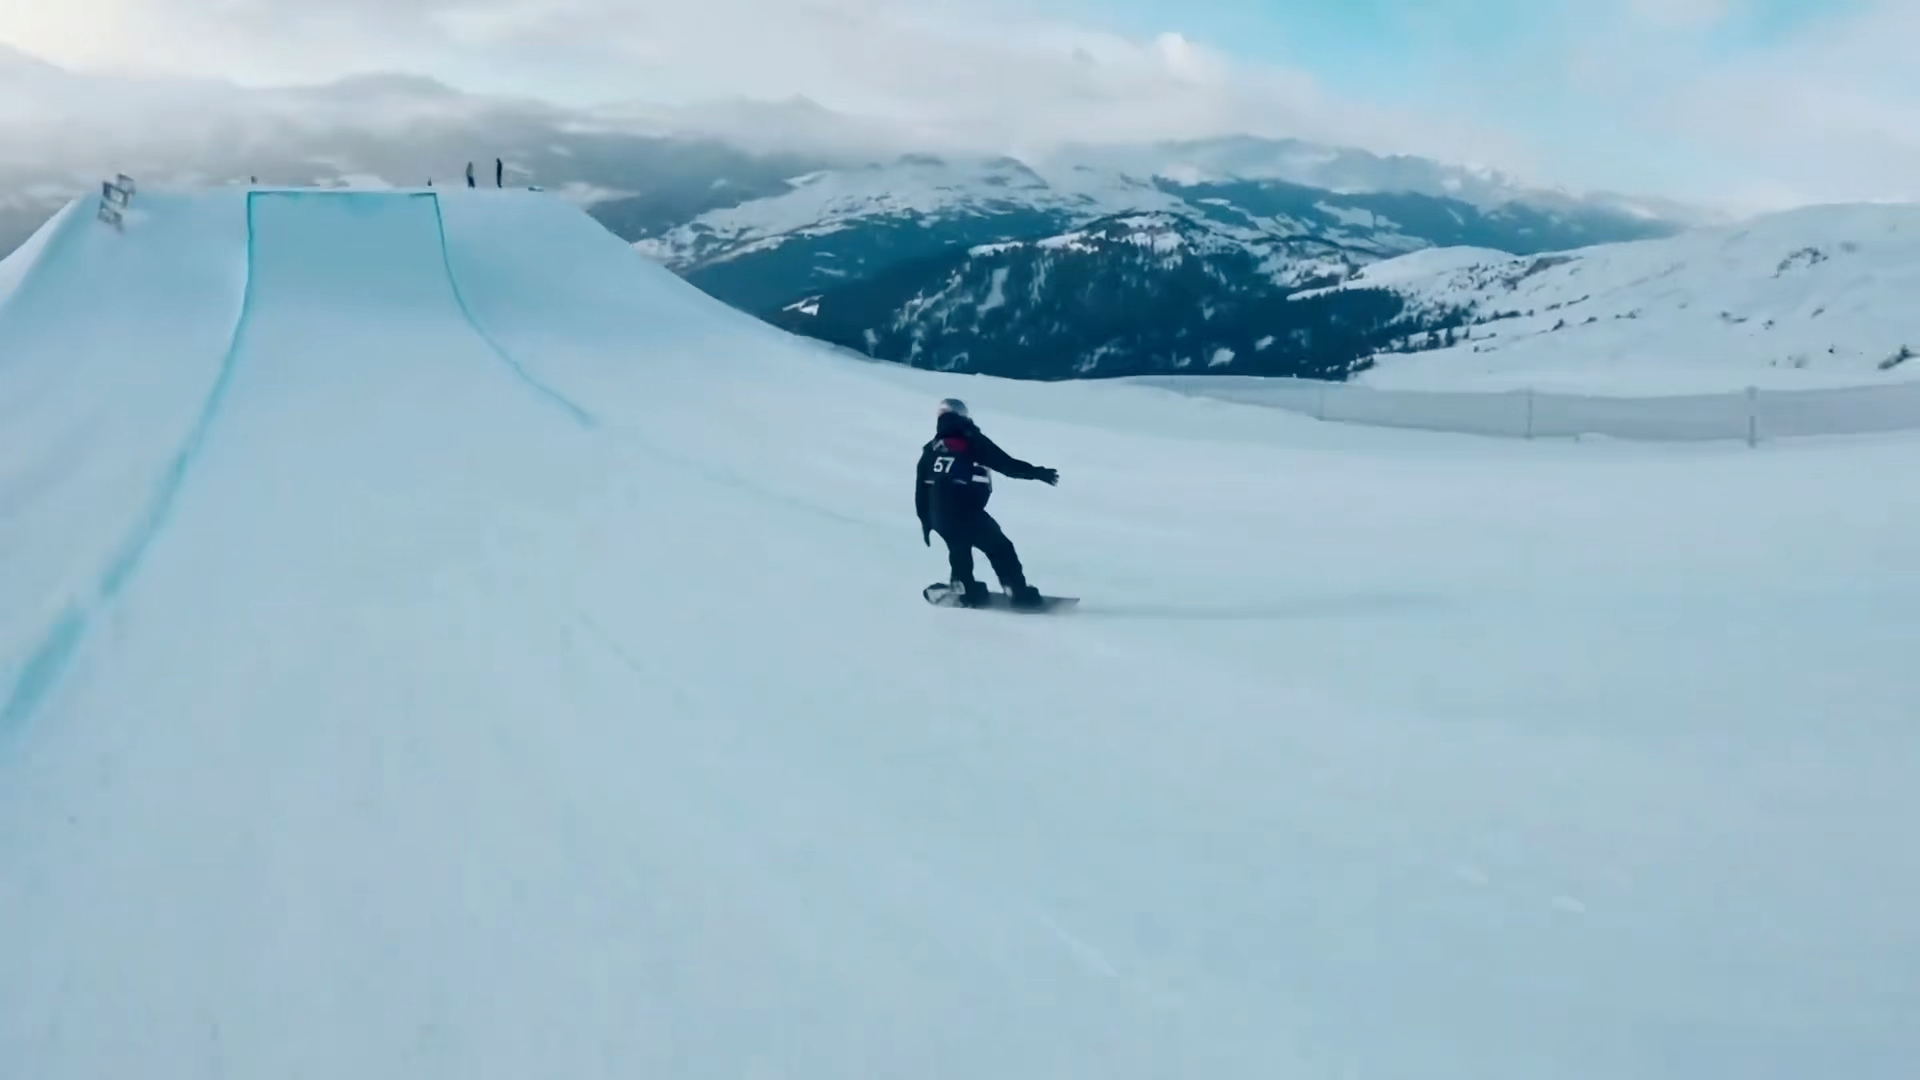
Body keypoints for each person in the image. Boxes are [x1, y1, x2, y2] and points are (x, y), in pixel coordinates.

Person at [916, 398, 1058, 609]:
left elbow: (921, 488)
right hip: (966, 511)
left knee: (959, 549)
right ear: (963, 416)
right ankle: (1016, 591)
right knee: (1000, 548)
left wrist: (926, 521)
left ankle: (965, 588)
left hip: (939, 514)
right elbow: (1006, 464)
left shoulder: (932, 448)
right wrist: (1037, 472)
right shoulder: (970, 440)